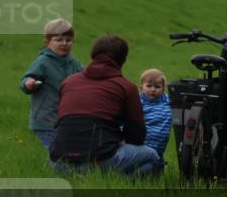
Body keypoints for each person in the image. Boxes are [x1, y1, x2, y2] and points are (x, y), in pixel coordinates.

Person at [50, 35, 163, 176]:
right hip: (100, 158)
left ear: (93, 55)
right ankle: (119, 184)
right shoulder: (126, 87)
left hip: (59, 162)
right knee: (153, 156)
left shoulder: (68, 82)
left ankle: (97, 180)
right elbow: (136, 135)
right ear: (122, 59)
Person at [19, 18, 84, 151]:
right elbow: (25, 80)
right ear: (47, 42)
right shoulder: (43, 62)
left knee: (65, 150)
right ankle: (55, 169)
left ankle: (57, 168)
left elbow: (86, 75)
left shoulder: (73, 62)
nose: (64, 43)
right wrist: (29, 84)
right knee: (56, 152)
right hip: (45, 119)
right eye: (59, 40)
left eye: (68, 40)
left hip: (65, 118)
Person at [139, 69, 173, 160]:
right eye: (149, 86)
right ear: (141, 87)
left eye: (157, 87)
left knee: (157, 167)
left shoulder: (168, 101)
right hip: (142, 144)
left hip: (160, 146)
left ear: (163, 89)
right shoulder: (137, 103)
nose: (153, 90)